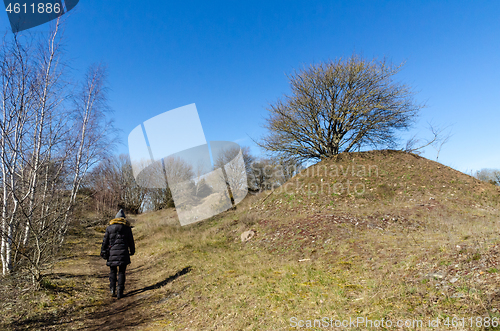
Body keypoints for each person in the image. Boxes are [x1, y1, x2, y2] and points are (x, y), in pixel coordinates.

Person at [100, 209, 135, 299]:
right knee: (122, 272)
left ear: (115, 218)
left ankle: (112, 289)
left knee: (112, 271)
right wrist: (132, 251)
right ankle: (120, 291)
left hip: (112, 253)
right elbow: (131, 241)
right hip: (123, 253)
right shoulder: (127, 228)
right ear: (123, 218)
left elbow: (105, 241)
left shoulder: (109, 228)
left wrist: (103, 250)